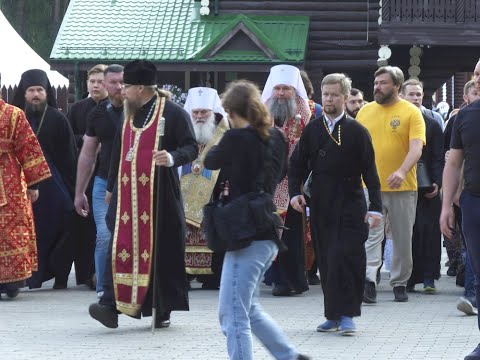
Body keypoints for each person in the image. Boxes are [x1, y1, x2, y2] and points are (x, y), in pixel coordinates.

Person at [204, 79, 310, 360]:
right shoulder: (276, 137)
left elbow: (210, 160)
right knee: (248, 309)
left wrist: (227, 132)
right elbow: (283, 169)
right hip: (267, 228)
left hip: (245, 232)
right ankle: (289, 356)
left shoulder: (236, 137)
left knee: (232, 314)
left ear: (233, 112)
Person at [88, 60, 197, 329]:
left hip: (159, 195)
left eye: (125, 86)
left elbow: (191, 147)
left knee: (160, 249)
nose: (121, 90)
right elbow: (117, 153)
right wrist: (111, 188)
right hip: (126, 196)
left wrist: (172, 157)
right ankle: (111, 306)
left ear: (139, 88)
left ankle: (161, 308)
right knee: (121, 246)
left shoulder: (172, 112)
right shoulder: (129, 112)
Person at [289, 73, 382, 334]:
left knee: (348, 257)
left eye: (334, 94)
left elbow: (370, 173)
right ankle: (332, 313)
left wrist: (375, 206)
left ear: (345, 97)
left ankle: (348, 314)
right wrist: (296, 193)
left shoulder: (357, 131)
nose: (329, 99)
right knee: (328, 259)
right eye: (325, 94)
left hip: (351, 203)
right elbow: (297, 163)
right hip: (320, 203)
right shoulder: (313, 129)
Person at [357, 66, 426, 303]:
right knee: (371, 236)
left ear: (397, 86)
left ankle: (399, 282)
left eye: (383, 83)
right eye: (376, 83)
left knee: (402, 237)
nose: (377, 87)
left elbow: (416, 147)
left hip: (403, 187)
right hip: (369, 187)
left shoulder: (411, 112)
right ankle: (369, 282)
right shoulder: (364, 112)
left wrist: (401, 170)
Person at [12, 69, 78, 289]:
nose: (36, 95)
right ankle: (26, 276)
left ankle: (59, 274)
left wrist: (72, 189)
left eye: (40, 89)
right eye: (31, 90)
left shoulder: (57, 118)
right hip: (18, 185)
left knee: (63, 223)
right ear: (24, 93)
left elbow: (69, 156)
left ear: (47, 92)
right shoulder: (14, 117)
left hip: (53, 186)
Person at [440, 59, 480, 360]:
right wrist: (446, 205)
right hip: (474, 204)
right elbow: (453, 163)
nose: (477, 78)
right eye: (476, 73)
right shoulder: (465, 116)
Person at [74, 64, 124, 298]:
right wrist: (79, 192)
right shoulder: (97, 114)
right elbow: (87, 154)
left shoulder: (141, 112)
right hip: (104, 183)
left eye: (123, 82)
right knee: (105, 236)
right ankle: (103, 292)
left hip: (136, 183)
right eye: (113, 82)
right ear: (104, 84)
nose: (119, 87)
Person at [262, 64, 312, 296]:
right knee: (270, 229)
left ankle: (292, 280)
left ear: (295, 91)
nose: (281, 93)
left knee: (291, 234)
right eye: (278, 88)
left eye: (286, 89)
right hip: (268, 183)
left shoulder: (306, 114)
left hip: (294, 183)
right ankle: (273, 278)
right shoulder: (261, 113)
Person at [0, 74, 51, 299]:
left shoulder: (13, 114)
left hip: (10, 180)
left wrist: (34, 183)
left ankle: (12, 282)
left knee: (11, 229)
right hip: (9, 179)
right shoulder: (14, 113)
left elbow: (28, 149)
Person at [181, 87, 229, 289]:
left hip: (213, 194)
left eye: (204, 113)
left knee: (211, 232)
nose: (199, 117)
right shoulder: (183, 131)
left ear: (213, 113)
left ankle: (211, 276)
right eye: (196, 113)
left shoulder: (224, 133)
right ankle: (185, 274)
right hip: (183, 192)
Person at [400, 79, 444, 293]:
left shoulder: (432, 124)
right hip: (401, 185)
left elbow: (438, 157)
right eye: (411, 94)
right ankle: (408, 277)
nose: (416, 98)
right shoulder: (396, 122)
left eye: (418, 94)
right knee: (408, 232)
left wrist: (437, 181)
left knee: (429, 231)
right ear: (402, 96)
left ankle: (429, 277)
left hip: (427, 186)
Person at [67, 64, 108, 289]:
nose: (95, 85)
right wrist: (87, 141)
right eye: (92, 81)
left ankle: (101, 274)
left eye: (100, 82)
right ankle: (85, 273)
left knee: (103, 228)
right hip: (84, 176)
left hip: (106, 174)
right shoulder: (77, 109)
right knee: (84, 227)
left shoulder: (114, 108)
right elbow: (68, 138)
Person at [299, 70, 321, 286]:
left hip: (312, 175)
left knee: (312, 226)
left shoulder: (317, 110)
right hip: (285, 177)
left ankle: (312, 268)